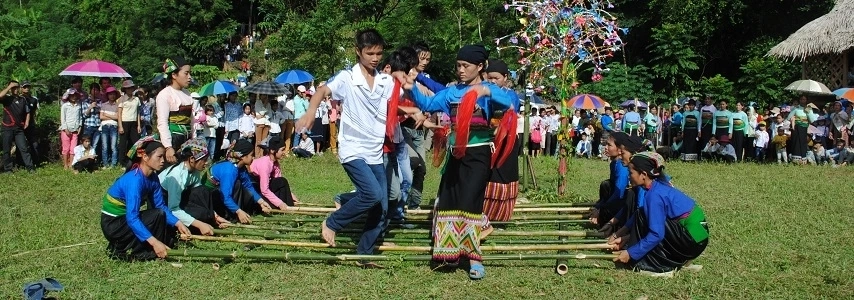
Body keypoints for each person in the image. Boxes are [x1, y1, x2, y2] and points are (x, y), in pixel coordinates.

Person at [405, 44, 516, 279]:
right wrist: (411, 86)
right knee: (449, 201)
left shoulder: (488, 90)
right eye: (458, 66)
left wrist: (485, 92)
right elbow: (427, 105)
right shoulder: (452, 92)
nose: (461, 70)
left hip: (478, 155)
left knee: (470, 202)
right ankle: (449, 254)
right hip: (455, 154)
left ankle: (474, 258)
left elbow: (510, 104)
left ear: (480, 66)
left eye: (466, 66)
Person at [608, 151, 708, 277]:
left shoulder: (655, 195)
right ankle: (678, 260)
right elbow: (644, 215)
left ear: (643, 175)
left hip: (692, 242)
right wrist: (624, 236)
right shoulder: (658, 186)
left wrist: (630, 253)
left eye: (631, 172)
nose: (628, 176)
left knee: (649, 221)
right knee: (643, 214)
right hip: (695, 239)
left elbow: (656, 235)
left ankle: (661, 268)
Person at [100, 137, 191, 260]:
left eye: (163, 156)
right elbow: (132, 218)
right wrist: (155, 242)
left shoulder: (153, 178)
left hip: (125, 220)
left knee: (159, 214)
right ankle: (134, 250)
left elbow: (160, 206)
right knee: (156, 215)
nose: (163, 160)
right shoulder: (135, 180)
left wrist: (178, 223)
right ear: (145, 157)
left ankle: (153, 247)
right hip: (113, 225)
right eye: (159, 157)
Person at [480, 58, 521, 235]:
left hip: (506, 141)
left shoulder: (510, 95)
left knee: (503, 176)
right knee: (487, 175)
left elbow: (508, 113)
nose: (492, 81)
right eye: (489, 78)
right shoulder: (483, 92)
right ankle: (485, 215)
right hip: (488, 140)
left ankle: (501, 217)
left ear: (505, 78)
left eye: (496, 78)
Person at [199, 139, 270, 225]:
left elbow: (248, 186)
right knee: (237, 184)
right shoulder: (230, 170)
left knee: (248, 183)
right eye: (251, 155)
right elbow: (225, 197)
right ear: (243, 157)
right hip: (210, 198)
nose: (253, 158)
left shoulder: (241, 167)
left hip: (220, 193)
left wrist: (261, 202)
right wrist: (238, 211)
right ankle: (230, 216)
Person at [158, 138, 219, 236]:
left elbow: (199, 196)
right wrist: (199, 224)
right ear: (192, 159)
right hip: (166, 204)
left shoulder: (195, 171)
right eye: (204, 160)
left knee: (203, 191)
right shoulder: (176, 176)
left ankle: (208, 221)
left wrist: (214, 215)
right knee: (200, 214)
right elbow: (173, 209)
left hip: (181, 199)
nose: (206, 163)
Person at [156, 57, 195, 165]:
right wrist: (168, 147)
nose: (189, 77)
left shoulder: (187, 94)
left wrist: (193, 140)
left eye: (190, 73)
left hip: (187, 140)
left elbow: (192, 121)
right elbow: (162, 122)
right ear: (174, 75)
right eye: (186, 73)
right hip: (173, 140)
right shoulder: (165, 95)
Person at [251, 136, 300, 210]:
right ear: (272, 151)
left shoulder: (275, 163)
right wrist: (280, 203)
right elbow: (264, 190)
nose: (284, 153)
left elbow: (279, 180)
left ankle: (288, 205)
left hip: (262, 189)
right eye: (282, 150)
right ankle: (285, 206)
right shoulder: (265, 164)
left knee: (282, 181)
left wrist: (291, 196)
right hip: (256, 192)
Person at [1, 81, 35, 173]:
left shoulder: (23, 99)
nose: (15, 89)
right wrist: (9, 87)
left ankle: (30, 167)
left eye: (16, 87)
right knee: (7, 149)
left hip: (19, 129)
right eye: (13, 88)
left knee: (24, 148)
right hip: (7, 128)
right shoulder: (6, 99)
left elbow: (27, 112)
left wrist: (27, 122)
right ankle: (8, 169)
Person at [59, 89, 83, 170]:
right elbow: (63, 118)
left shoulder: (78, 106)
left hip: (75, 130)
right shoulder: (65, 106)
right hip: (66, 130)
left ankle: (71, 164)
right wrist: (65, 129)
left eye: (75, 95)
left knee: (73, 148)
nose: (73, 97)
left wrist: (80, 126)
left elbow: (80, 117)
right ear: (68, 96)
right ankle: (65, 164)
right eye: (72, 95)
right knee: (66, 148)